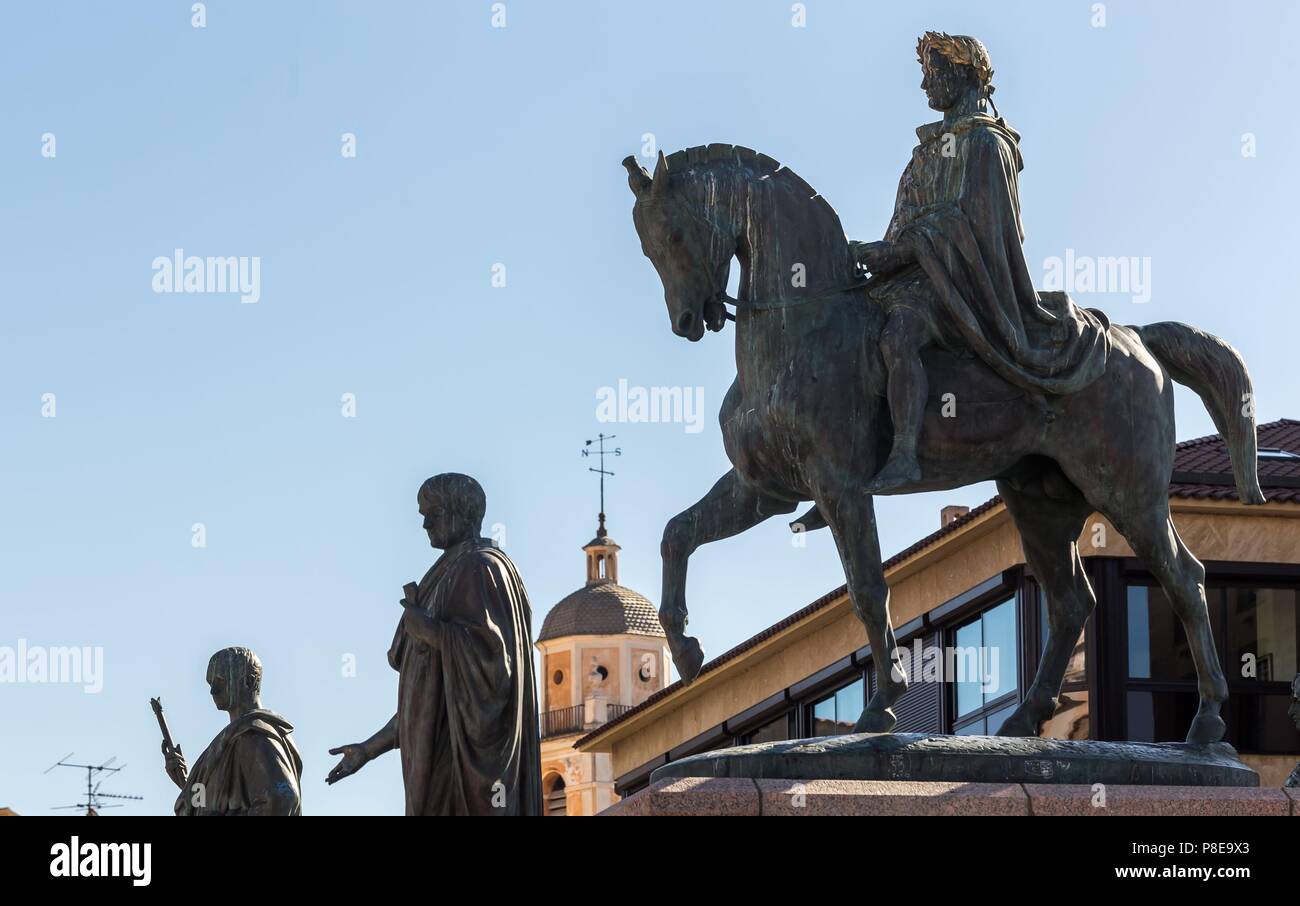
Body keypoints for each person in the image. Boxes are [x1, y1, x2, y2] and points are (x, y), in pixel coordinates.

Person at [855, 32, 1109, 494]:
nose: (925, 85)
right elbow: (905, 222)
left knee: (898, 337)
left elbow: (984, 228)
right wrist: (879, 254)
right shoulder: (926, 151)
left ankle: (904, 453)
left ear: (965, 73)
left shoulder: (987, 143)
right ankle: (839, 456)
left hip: (961, 283)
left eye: (934, 73)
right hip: (911, 277)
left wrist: (906, 249)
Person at [326, 473, 542, 815]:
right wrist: (368, 749)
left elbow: (495, 668)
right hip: (435, 768)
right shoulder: (447, 573)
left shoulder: (480, 567)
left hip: (462, 777)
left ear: (464, 512)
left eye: (434, 513)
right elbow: (424, 701)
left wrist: (432, 632)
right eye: (423, 514)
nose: (425, 524)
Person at [164, 646, 303, 816]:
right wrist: (187, 783)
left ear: (249, 681)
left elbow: (281, 799)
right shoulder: (233, 738)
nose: (213, 690)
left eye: (220, 680)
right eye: (210, 682)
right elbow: (211, 807)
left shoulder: (253, 735)